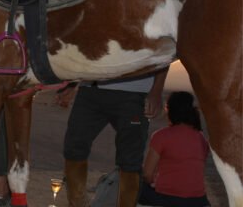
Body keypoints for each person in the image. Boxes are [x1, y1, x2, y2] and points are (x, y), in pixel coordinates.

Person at [63, 67, 168, 207]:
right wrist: (71, 84)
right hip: (90, 89)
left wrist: (156, 91)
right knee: (73, 147)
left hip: (134, 92)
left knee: (130, 159)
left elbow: (164, 54)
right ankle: (77, 203)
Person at [138, 91, 211, 207]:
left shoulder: (161, 136)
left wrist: (152, 182)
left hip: (167, 199)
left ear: (170, 111)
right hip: (199, 201)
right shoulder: (201, 137)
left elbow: (147, 174)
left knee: (131, 184)